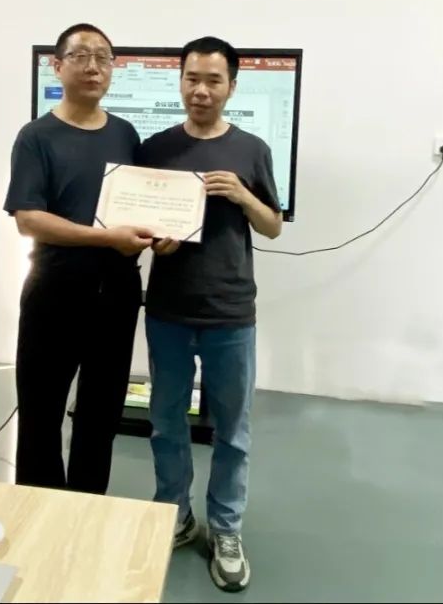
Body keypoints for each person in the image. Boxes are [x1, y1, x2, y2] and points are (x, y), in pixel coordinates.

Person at [137, 36, 282, 592]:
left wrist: (242, 196)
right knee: (166, 422)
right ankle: (173, 513)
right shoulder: (156, 148)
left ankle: (225, 528)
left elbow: (272, 226)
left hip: (230, 312)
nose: (200, 90)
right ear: (180, 81)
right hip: (168, 309)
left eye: (213, 80)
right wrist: (156, 241)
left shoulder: (252, 150)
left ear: (232, 87)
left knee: (233, 430)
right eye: (192, 78)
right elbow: (139, 221)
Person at [4, 23, 154, 494]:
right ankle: (39, 512)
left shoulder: (125, 134)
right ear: (57, 65)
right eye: (81, 56)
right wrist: (106, 239)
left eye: (103, 57)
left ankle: (89, 508)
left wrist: (159, 233)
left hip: (118, 291)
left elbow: (142, 206)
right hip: (55, 289)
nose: (93, 67)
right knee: (41, 411)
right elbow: (28, 218)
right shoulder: (36, 137)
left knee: (101, 414)